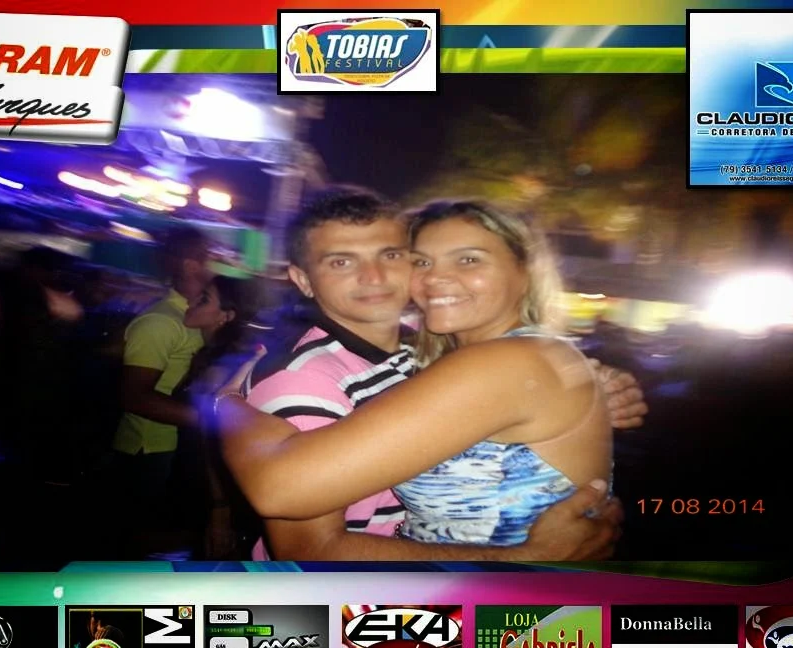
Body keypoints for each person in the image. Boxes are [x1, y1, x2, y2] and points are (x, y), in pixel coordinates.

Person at [217, 188, 645, 561]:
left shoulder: (503, 362)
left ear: (525, 273)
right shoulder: (443, 357)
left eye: (469, 260)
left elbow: (281, 489)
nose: (438, 277)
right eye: (422, 261)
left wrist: (223, 403)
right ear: (303, 279)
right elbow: (297, 526)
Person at [110, 227, 213, 556]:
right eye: (210, 258)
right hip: (152, 449)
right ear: (191, 266)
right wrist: (211, 421)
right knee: (142, 545)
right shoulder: (162, 321)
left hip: (178, 446)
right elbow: (134, 396)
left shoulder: (194, 317)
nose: (216, 266)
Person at [173, 275, 265, 559]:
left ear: (226, 315)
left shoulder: (221, 367)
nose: (191, 301)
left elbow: (214, 442)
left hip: (211, 487)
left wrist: (219, 509)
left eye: (204, 299)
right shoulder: (211, 355)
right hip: (200, 479)